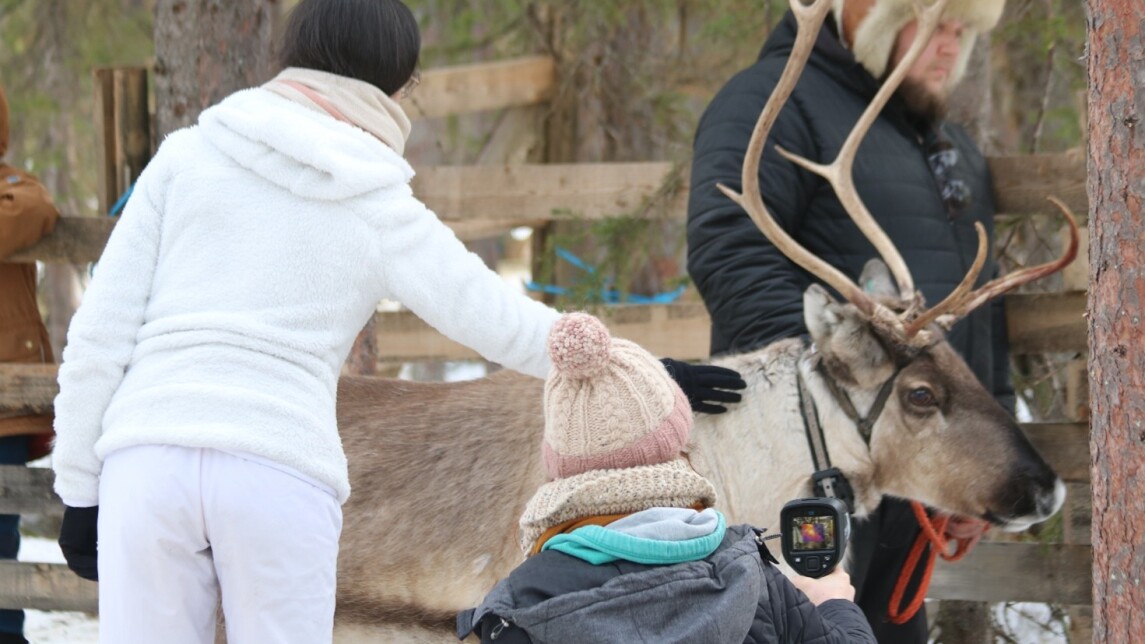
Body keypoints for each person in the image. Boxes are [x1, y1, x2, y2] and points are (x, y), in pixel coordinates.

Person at [49, 1, 744, 642]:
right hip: (276, 469)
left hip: (147, 461)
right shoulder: (373, 199)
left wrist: (79, 489)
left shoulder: (185, 158)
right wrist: (635, 368)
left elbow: (100, 335)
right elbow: (495, 318)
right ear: (396, 84)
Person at [686, 0, 1009, 641]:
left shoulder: (947, 144)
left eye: (960, 32)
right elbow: (730, 250)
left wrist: (985, 451)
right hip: (805, 476)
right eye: (936, 25)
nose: (951, 47)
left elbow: (983, 314)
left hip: (913, 481)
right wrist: (846, 387)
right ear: (876, 17)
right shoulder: (769, 102)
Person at [458, 313, 875, 643]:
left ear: (559, 466)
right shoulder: (752, 579)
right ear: (681, 443)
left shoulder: (517, 607)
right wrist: (833, 606)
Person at [0, 83, 60, 644]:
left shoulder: (15, 187)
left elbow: (37, 212)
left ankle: (8, 631)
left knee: (1, 530)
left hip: (7, 399)